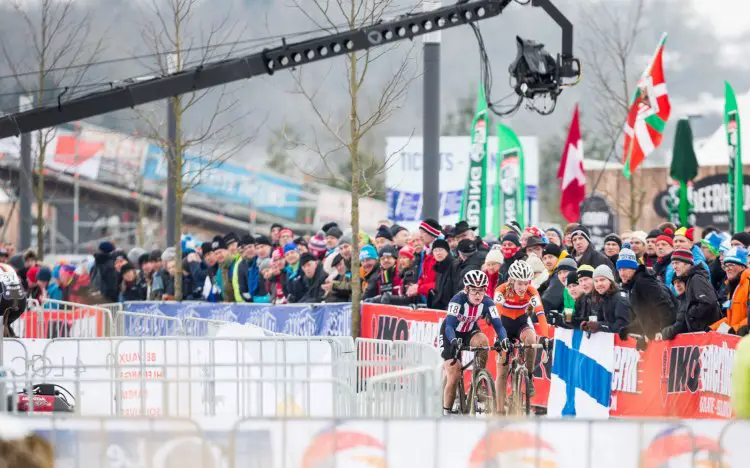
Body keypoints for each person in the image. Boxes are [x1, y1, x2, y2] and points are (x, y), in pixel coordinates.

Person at [440, 270, 509, 416]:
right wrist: (453, 341)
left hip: (469, 331)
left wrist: (504, 339)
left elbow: (499, 325)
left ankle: (477, 380)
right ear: (466, 289)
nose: (478, 295)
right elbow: (449, 326)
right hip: (451, 333)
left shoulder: (488, 302)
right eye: (474, 291)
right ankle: (446, 413)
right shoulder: (457, 300)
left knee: (483, 341)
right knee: (454, 374)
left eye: (481, 291)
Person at [494, 260, 549, 412]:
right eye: (520, 283)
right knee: (502, 371)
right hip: (503, 325)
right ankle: (499, 411)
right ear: (511, 280)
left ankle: (529, 376)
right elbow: (496, 316)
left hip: (521, 323)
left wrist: (545, 337)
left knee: (532, 339)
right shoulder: (501, 290)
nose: (523, 287)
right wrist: (499, 337)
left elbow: (541, 315)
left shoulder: (532, 291)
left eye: (526, 283)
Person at [657, 248, 722, 340]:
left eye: (677, 263)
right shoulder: (690, 279)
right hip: (701, 335)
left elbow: (709, 302)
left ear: (688, 263)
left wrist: (690, 314)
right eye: (673, 263)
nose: (674, 267)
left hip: (706, 336)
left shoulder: (697, 278)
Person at [617, 245, 676, 339]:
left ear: (633, 268)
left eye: (625, 269)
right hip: (655, 334)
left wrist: (661, 330)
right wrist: (629, 329)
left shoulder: (643, 282)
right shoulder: (633, 285)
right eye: (619, 269)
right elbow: (644, 316)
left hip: (666, 335)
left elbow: (665, 306)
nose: (622, 273)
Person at [580, 265, 631, 337]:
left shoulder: (620, 299)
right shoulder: (601, 297)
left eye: (602, 280)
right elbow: (603, 322)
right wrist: (589, 325)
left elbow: (622, 327)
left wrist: (599, 326)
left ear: (610, 281)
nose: (599, 284)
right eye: (596, 281)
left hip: (625, 346)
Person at [710, 247, 749, 335]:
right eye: (726, 265)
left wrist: (735, 329)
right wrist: (713, 328)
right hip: (735, 339)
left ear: (743, 266)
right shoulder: (732, 286)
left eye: (732, 265)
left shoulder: (748, 284)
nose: (728, 268)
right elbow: (731, 319)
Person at [428, 238, 460, 310]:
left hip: (451, 309)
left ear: (447, 251)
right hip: (440, 309)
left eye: (441, 250)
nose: (438, 253)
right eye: (435, 250)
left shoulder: (454, 265)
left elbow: (457, 289)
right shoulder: (438, 267)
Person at [0, 263, 27, 337]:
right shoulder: (6, 266)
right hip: (20, 301)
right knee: (5, 323)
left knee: (2, 323)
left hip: (4, 298)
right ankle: (12, 340)